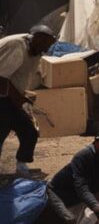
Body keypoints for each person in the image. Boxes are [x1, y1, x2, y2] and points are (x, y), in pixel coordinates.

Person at [0, 26, 57, 177]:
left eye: (49, 45)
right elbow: (1, 77)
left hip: (9, 97)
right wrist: (17, 98)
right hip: (3, 97)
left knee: (29, 132)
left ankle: (21, 167)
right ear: (37, 37)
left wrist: (23, 94)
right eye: (46, 43)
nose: (47, 48)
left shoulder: (35, 50)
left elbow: (22, 76)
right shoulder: (17, 46)